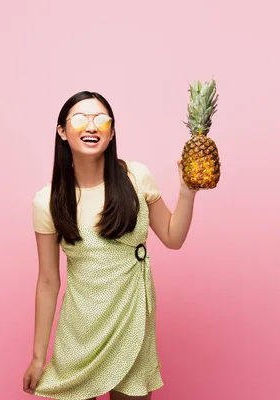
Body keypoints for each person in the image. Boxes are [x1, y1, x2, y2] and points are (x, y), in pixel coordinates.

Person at [23, 90, 198, 399]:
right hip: (80, 331)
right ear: (62, 131)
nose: (91, 127)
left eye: (101, 119)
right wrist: (38, 357)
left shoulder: (136, 177)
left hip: (132, 322)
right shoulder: (46, 201)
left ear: (112, 131)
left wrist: (187, 190)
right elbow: (48, 280)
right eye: (80, 118)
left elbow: (173, 237)